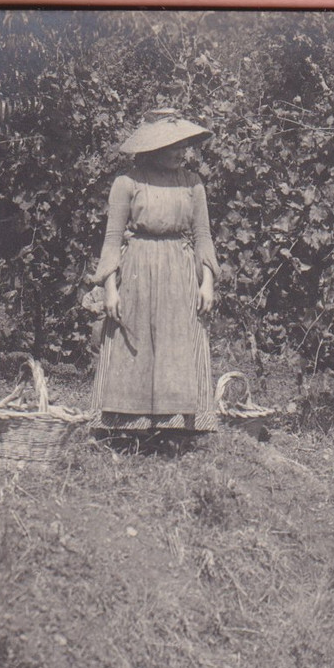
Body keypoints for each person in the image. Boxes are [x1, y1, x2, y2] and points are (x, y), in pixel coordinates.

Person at [88, 109, 220, 432]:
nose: (181, 152)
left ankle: (176, 425)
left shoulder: (193, 184)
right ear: (153, 148)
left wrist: (208, 282)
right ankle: (126, 425)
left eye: (184, 145)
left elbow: (203, 236)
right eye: (173, 146)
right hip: (137, 272)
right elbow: (112, 239)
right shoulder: (127, 182)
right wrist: (110, 287)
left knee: (177, 346)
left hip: (179, 272)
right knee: (132, 346)